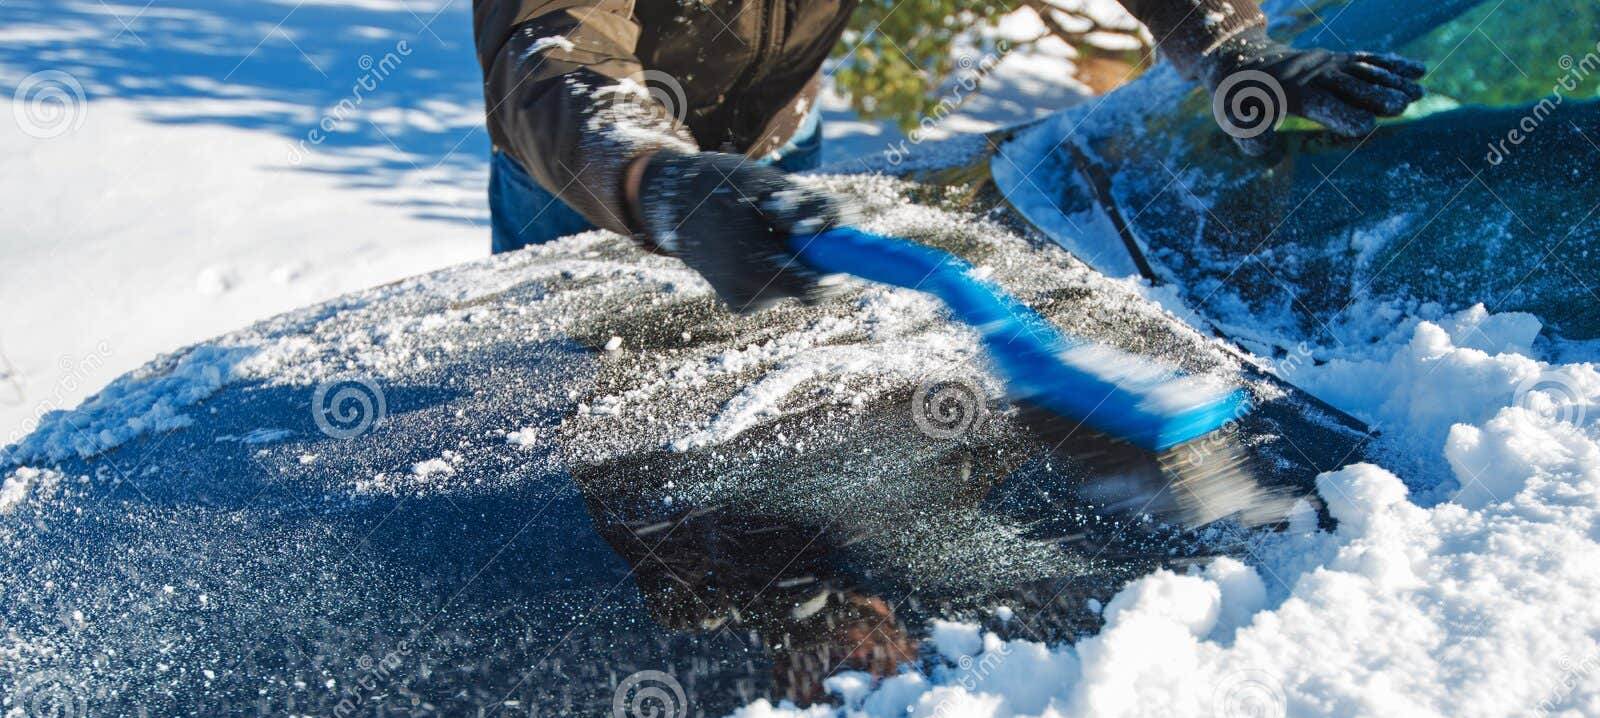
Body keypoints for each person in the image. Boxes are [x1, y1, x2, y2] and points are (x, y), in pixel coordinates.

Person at [473, 0, 1424, 312]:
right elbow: (549, 46)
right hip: (588, 171)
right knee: (556, 426)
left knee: (748, 382)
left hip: (776, 150)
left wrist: (1223, 44)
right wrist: (653, 176)